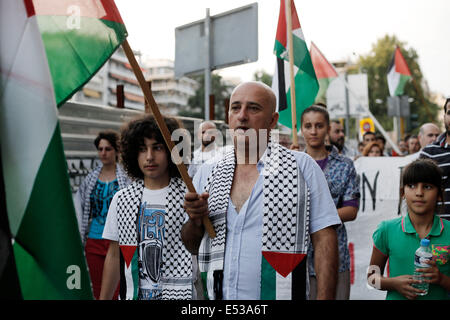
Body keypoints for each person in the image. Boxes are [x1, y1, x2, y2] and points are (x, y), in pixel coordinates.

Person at [181, 81, 341, 300]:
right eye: (235, 108)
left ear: (273, 120)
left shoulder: (302, 167)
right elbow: (191, 244)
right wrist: (195, 220)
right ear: (228, 116)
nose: (242, 116)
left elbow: (325, 240)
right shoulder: (207, 171)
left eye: (253, 108)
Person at [100, 115, 193, 300]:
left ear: (172, 151)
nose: (149, 157)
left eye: (157, 148)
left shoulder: (190, 197)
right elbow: (114, 256)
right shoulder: (121, 199)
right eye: (142, 149)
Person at [367, 159, 450, 300]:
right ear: (402, 192)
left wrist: (442, 279)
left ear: (440, 194)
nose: (419, 192)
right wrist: (393, 283)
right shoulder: (386, 230)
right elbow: (371, 278)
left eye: (427, 187)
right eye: (411, 185)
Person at [301, 105, 360, 300]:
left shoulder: (344, 165)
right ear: (300, 129)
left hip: (336, 256)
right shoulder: (292, 164)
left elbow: (351, 210)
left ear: (327, 128)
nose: (313, 131)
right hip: (298, 257)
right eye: (308, 126)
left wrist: (315, 218)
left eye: (319, 125)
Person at [74, 130, 131, 300]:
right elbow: (80, 207)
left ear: (116, 151)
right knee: (98, 288)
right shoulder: (90, 178)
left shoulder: (127, 178)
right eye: (100, 149)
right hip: (95, 239)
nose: (103, 153)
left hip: (120, 239)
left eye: (108, 149)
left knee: (119, 286)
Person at [420, 98, 450, 220]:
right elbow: (421, 193)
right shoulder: (429, 153)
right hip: (440, 232)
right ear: (444, 117)